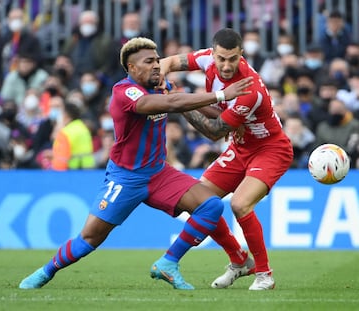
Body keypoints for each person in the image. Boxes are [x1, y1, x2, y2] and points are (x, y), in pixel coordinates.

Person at [19, 37, 252, 290]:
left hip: (158, 173)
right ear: (132, 68)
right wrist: (219, 94)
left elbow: (182, 100)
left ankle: (168, 263)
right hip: (126, 177)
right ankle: (46, 271)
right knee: (89, 238)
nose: (156, 65)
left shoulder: (162, 87)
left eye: (157, 60)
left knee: (211, 206)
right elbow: (171, 103)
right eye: (149, 61)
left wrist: (231, 117)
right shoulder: (124, 92)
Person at [159, 28, 294, 290]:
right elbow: (170, 62)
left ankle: (264, 274)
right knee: (200, 202)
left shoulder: (249, 90)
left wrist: (177, 100)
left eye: (233, 59)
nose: (226, 65)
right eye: (221, 58)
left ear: (241, 55)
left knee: (241, 204)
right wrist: (161, 80)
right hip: (241, 147)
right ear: (213, 53)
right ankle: (238, 260)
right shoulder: (207, 59)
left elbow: (213, 130)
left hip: (270, 149)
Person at [51, 102, 96, 170]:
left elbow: (62, 159)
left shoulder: (65, 132)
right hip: (88, 170)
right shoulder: (84, 128)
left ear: (66, 115)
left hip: (71, 172)